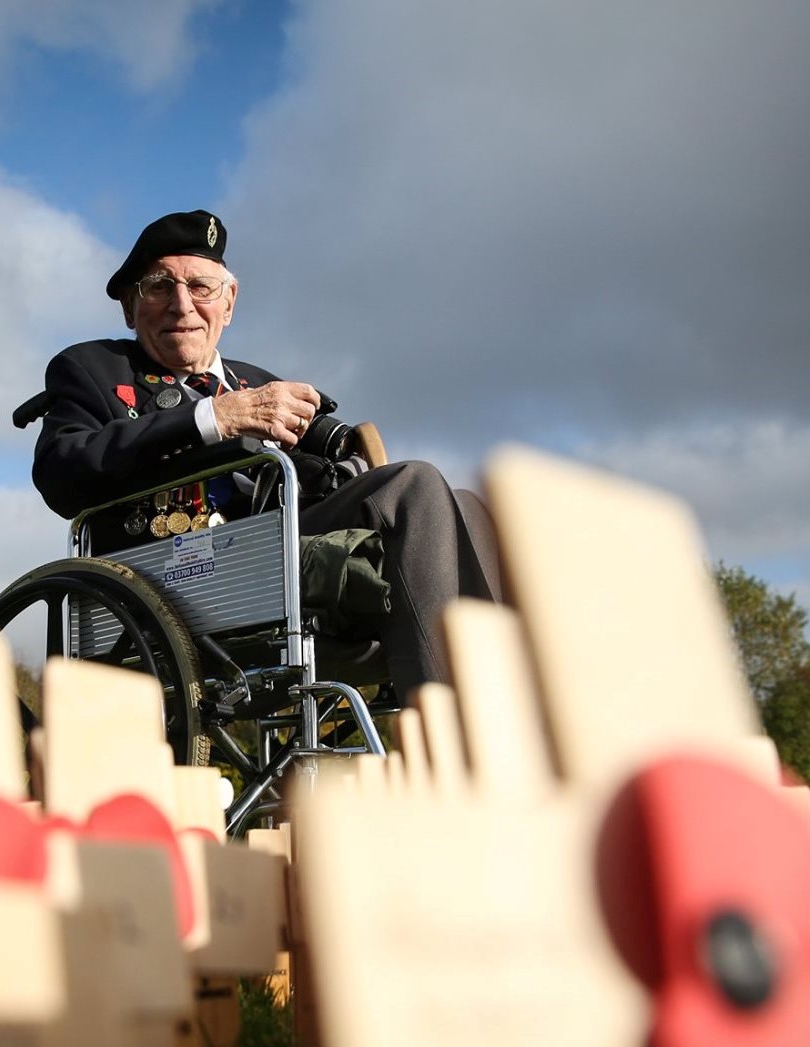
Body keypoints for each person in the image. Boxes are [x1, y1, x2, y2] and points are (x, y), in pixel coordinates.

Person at [32, 209, 500, 698]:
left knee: (463, 509)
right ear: (130, 307)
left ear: (228, 302)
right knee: (416, 485)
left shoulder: (256, 379)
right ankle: (459, 728)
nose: (182, 306)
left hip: (277, 550)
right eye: (158, 287)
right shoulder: (92, 369)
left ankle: (491, 699)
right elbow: (61, 472)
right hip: (183, 570)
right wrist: (214, 418)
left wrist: (343, 463)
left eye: (201, 287)